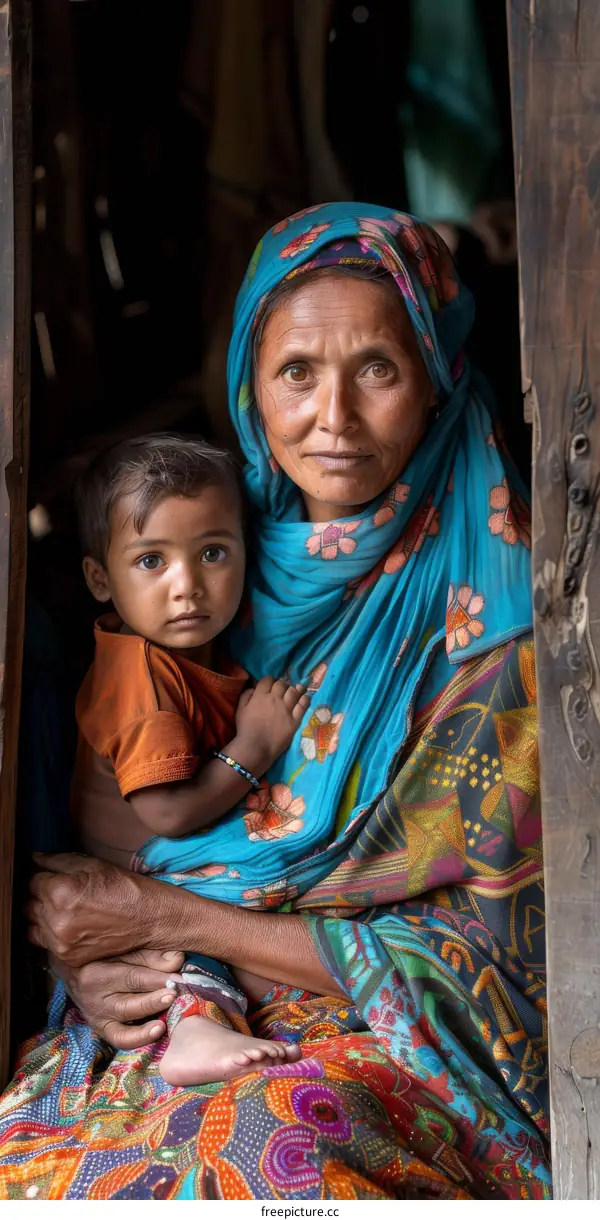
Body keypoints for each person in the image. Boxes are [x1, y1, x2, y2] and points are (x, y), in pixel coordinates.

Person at [0, 203, 549, 1201]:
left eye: (377, 367)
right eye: (297, 371)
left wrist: (161, 914)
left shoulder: (502, 612)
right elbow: (112, 833)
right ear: (249, 389)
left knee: (258, 1143)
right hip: (180, 1009)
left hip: (387, 1036)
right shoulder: (197, 573)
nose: (332, 416)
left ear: (432, 379)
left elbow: (501, 960)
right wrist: (97, 951)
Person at [70, 433, 308, 1084]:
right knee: (183, 965)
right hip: (138, 893)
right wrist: (253, 748)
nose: (188, 587)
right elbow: (168, 812)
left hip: (168, 880)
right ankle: (194, 1031)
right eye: (152, 561)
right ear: (100, 578)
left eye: (211, 553)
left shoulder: (181, 656)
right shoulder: (141, 678)